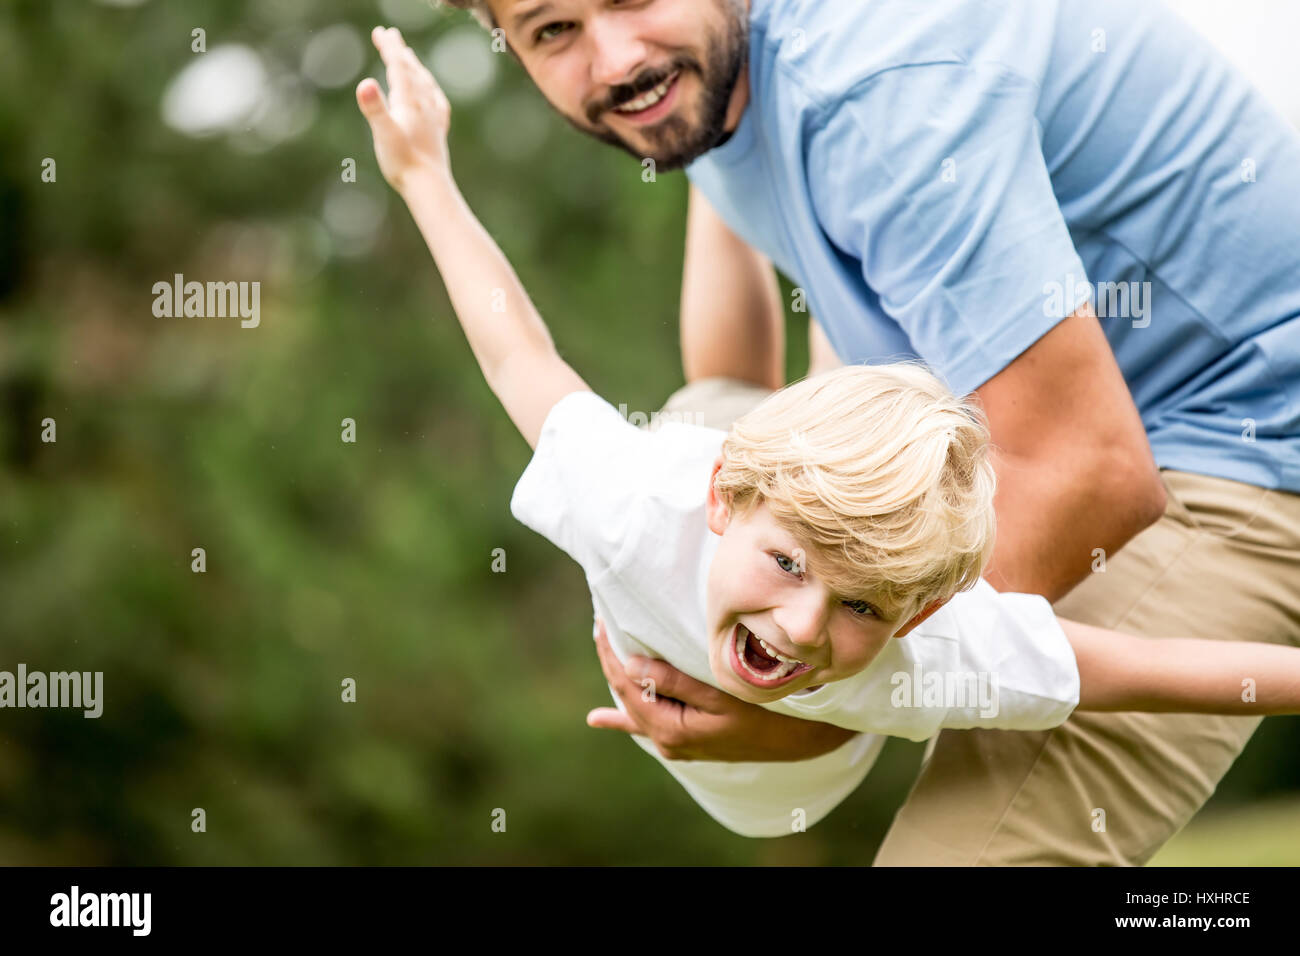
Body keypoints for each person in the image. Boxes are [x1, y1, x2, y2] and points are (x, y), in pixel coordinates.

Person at [354, 25, 1300, 839]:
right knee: (730, 392)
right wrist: (422, 174)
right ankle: (723, 183)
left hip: (780, 781)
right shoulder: (637, 498)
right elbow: (517, 351)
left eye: (864, 610)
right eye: (796, 571)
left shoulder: (932, 646)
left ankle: (767, 255)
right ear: (724, 498)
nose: (804, 627)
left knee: (769, 402)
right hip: (716, 496)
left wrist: (818, 719)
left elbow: (1169, 670)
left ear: (923, 612)